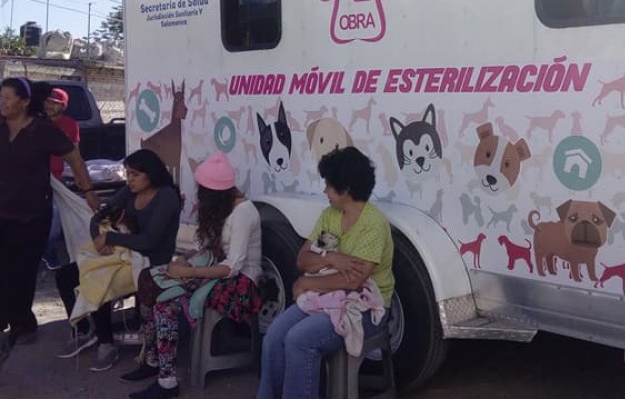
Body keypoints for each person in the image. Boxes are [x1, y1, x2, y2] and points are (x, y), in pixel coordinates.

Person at [257, 146, 395, 399]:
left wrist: (307, 285)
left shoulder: (374, 224)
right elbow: (303, 259)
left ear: (347, 189)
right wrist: (332, 257)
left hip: (364, 307)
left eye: (329, 185)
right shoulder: (330, 216)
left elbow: (353, 281)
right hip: (326, 299)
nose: (324, 191)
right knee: (274, 335)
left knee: (299, 340)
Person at [122, 151, 262, 399]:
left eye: (204, 190)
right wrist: (185, 259)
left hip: (238, 284)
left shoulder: (244, 213)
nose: (200, 195)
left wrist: (188, 271)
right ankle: (152, 360)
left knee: (165, 301)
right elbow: (205, 246)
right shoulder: (220, 207)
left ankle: (167, 382)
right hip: (210, 268)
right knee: (148, 282)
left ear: (216, 192)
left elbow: (233, 267)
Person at [58, 148, 182, 371]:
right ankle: (86, 330)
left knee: (99, 280)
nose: (130, 179)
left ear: (150, 173)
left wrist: (110, 237)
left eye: (135, 174)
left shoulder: (166, 197)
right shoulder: (129, 192)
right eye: (128, 174)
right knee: (65, 275)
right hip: (125, 253)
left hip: (152, 262)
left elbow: (150, 242)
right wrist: (99, 238)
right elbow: (98, 217)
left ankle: (107, 343)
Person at [0, 77, 99, 348]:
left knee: (23, 270)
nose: (3, 103)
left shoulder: (42, 130)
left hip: (33, 213)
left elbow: (74, 158)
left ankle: (23, 324)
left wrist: (89, 192)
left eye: (8, 98)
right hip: (2, 211)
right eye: (1, 97)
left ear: (24, 102)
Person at [43, 87, 80, 269]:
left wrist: (77, 176)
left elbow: (75, 152)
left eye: (55, 103)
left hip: (57, 179)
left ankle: (48, 251)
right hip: (34, 176)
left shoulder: (70, 125)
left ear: (63, 106)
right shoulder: (36, 121)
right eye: (48, 101)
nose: (49, 105)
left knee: (55, 217)